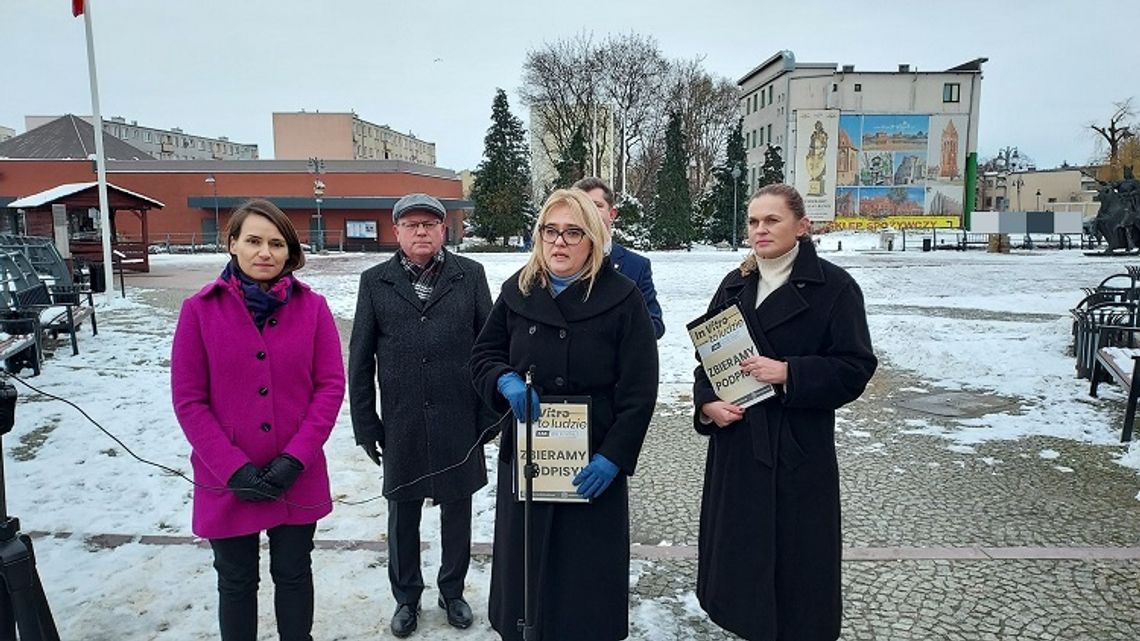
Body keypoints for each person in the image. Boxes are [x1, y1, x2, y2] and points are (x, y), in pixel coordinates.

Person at [470, 188, 659, 641]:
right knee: (527, 572)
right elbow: (483, 354)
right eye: (550, 231)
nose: (560, 242)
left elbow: (639, 390)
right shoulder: (519, 289)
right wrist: (502, 379)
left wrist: (614, 455)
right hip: (533, 457)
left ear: (592, 238)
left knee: (584, 580)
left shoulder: (622, 296)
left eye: (573, 232)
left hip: (592, 458)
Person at [692, 183, 877, 641]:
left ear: (802, 225)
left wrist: (790, 372)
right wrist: (707, 406)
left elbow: (855, 368)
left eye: (772, 220)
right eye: (754, 221)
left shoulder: (835, 287)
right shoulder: (735, 283)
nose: (760, 230)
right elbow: (708, 361)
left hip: (797, 453)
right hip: (737, 447)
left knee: (797, 571)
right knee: (740, 567)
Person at [171, 199, 345, 641]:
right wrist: (232, 469)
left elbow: (329, 387)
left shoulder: (314, 308)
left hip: (296, 474)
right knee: (235, 581)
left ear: (290, 252)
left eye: (276, 243)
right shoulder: (199, 311)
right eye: (253, 241)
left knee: (293, 573)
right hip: (225, 477)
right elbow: (189, 400)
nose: (264, 252)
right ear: (232, 244)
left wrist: (296, 459)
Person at [348, 193, 494, 638]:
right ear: (397, 232)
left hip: (458, 417)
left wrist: (489, 416)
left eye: (429, 224)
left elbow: (490, 347)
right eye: (411, 225)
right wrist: (365, 423)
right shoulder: (376, 282)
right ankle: (406, 597)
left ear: (443, 230)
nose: (421, 232)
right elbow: (360, 358)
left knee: (457, 509)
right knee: (403, 513)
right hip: (402, 419)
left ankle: (452, 591)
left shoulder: (470, 276)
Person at [573, 177, 665, 338]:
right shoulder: (560, 263)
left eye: (597, 205)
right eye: (582, 206)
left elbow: (655, 324)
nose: (590, 212)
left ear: (612, 214)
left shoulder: (636, 266)